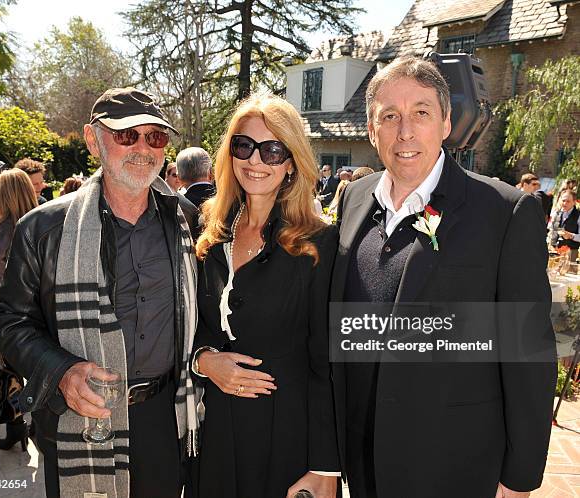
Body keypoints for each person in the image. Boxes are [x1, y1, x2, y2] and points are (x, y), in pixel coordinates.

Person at [330, 57, 556, 498]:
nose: (405, 131)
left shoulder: (504, 212)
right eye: (389, 116)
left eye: (421, 113)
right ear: (372, 129)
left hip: (455, 463)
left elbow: (529, 353)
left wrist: (520, 476)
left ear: (447, 122)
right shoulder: (355, 199)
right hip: (363, 461)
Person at [0, 87, 200, 498]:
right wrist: (61, 371)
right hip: (80, 419)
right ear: (93, 140)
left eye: (155, 136)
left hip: (165, 418)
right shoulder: (43, 229)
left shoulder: (186, 221)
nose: (143, 148)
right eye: (127, 135)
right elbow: (10, 323)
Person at [191, 92, 339, 498]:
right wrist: (204, 362)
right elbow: (195, 328)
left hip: (287, 436)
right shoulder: (210, 234)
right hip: (219, 431)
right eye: (244, 145)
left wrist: (325, 467)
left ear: (291, 163)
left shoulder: (317, 243)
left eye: (272, 150)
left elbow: (328, 362)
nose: (255, 161)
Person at [0, 169, 38, 451]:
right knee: (43, 369)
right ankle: (38, 426)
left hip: (10, 315)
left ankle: (17, 428)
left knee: (10, 374)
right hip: (43, 312)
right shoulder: (47, 221)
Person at [551, 189, 579, 262]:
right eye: (563, 200)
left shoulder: (578, 216)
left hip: (570, 253)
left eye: (568, 201)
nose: (564, 203)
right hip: (555, 250)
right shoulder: (557, 213)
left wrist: (570, 235)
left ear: (574, 202)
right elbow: (552, 231)